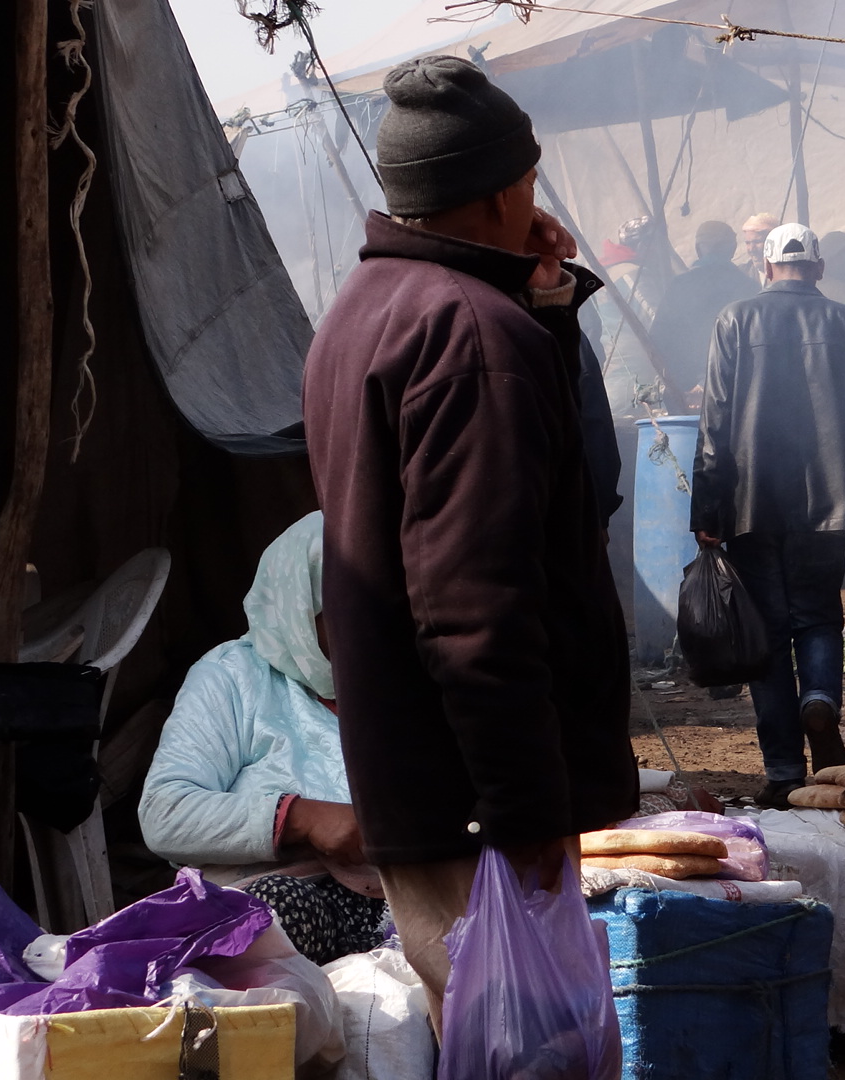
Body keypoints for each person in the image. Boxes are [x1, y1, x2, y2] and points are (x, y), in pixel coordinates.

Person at [299, 55, 636, 1021]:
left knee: (487, 1037)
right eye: (527, 173)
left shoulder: (364, 312)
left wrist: (547, 314)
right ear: (499, 189)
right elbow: (472, 604)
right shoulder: (472, 338)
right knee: (522, 1045)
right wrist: (523, 813)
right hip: (474, 801)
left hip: (419, 775)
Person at [691, 224, 845, 807]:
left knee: (766, 635)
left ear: (764, 265)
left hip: (751, 505)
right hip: (831, 507)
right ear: (821, 268)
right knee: (817, 617)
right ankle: (822, 702)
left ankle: (784, 770)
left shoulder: (735, 320)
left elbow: (716, 421)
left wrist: (708, 507)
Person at [139, 512, 388, 965]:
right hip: (283, 899)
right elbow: (164, 811)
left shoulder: (406, 686)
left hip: (393, 901)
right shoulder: (232, 676)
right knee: (273, 913)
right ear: (298, 609)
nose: (373, 630)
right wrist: (301, 817)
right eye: (349, 612)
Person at [649, 220, 758, 401]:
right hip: (737, 390)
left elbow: (658, 338)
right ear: (732, 248)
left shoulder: (680, 286)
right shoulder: (750, 288)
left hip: (686, 391)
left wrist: (684, 382)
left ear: (699, 247)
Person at [595, 216, 665, 415]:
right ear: (644, 244)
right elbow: (655, 321)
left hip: (613, 373)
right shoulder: (630, 273)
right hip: (631, 378)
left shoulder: (606, 270)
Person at [740, 211, 781, 285]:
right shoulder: (740, 275)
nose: (752, 249)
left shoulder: (790, 276)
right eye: (748, 243)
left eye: (757, 242)